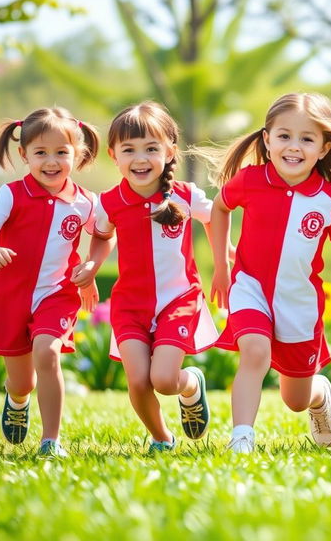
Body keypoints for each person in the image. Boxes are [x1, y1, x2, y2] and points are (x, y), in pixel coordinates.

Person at [207, 92, 331, 453]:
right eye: (284, 136)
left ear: (323, 148)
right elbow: (219, 208)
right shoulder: (250, 180)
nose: (294, 146)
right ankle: (242, 438)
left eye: (307, 138)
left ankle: (319, 394)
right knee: (253, 351)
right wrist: (222, 265)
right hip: (249, 287)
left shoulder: (329, 198)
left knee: (296, 399)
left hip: (299, 303)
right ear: (267, 139)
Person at [92, 101, 218, 453]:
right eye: (129, 150)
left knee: (163, 380)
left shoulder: (185, 196)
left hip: (179, 300)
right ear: (113, 155)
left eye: (151, 148)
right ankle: (162, 438)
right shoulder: (109, 202)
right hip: (129, 305)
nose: (140, 158)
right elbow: (102, 237)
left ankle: (190, 384)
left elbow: (216, 217)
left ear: (170, 151)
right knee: (137, 380)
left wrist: (225, 258)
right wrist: (90, 268)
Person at [0, 107, 102, 457]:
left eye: (62, 152)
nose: (52, 161)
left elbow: (104, 235)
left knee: (47, 354)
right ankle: (17, 401)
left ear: (77, 154)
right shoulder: (11, 194)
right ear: (24, 154)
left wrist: (92, 265)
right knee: (22, 382)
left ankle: (51, 441)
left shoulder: (85, 202)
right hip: (10, 297)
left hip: (56, 295)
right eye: (41, 153)